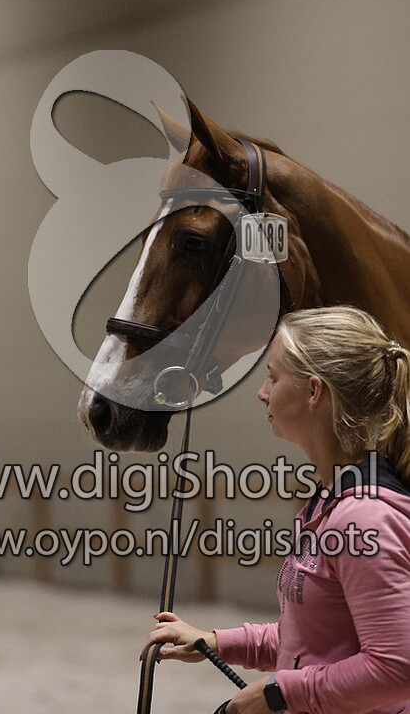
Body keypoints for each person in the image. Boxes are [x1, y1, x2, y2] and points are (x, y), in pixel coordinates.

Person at [141, 306, 410, 714]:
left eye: (273, 376)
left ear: (314, 392)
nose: (262, 392)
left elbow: (396, 670)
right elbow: (313, 639)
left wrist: (278, 693)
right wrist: (216, 642)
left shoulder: (364, 519)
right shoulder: (328, 503)